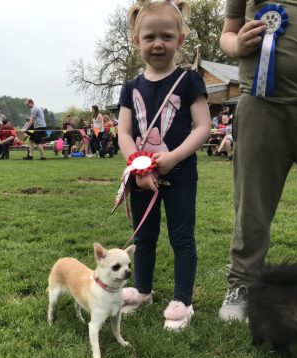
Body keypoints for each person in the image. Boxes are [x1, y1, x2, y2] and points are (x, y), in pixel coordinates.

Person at [118, 0, 210, 331]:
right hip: (142, 178)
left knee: (181, 237)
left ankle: (182, 301)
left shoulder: (189, 81)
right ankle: (143, 291)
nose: (159, 44)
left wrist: (172, 158)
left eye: (167, 37)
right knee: (144, 237)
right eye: (150, 37)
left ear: (180, 40)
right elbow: (124, 133)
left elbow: (203, 127)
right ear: (137, 40)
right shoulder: (130, 87)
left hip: (181, 175)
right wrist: (138, 169)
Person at [218, 1, 297, 322]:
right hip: (261, 104)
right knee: (251, 206)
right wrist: (236, 44)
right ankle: (241, 284)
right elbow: (227, 33)